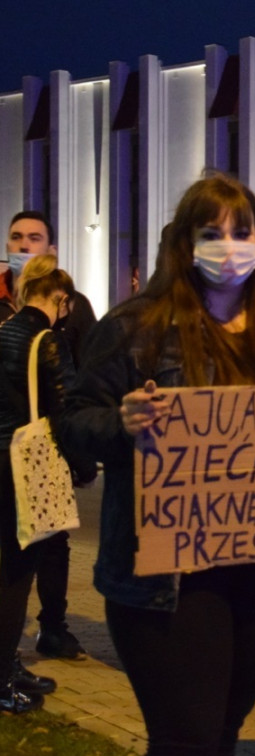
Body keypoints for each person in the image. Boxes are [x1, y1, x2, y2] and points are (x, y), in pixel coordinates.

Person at [56, 174, 255, 756]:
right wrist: (123, 424)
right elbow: (73, 422)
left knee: (222, 736)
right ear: (186, 244)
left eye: (241, 233)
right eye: (211, 233)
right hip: (172, 577)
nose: (228, 246)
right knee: (186, 742)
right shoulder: (135, 328)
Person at [0, 254, 95, 713]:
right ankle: (3, 680)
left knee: (7, 566)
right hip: (26, 467)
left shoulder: (3, 332)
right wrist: (84, 466)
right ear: (59, 298)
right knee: (17, 576)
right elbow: (67, 411)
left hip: (0, 459)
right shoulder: (48, 341)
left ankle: (8, 664)